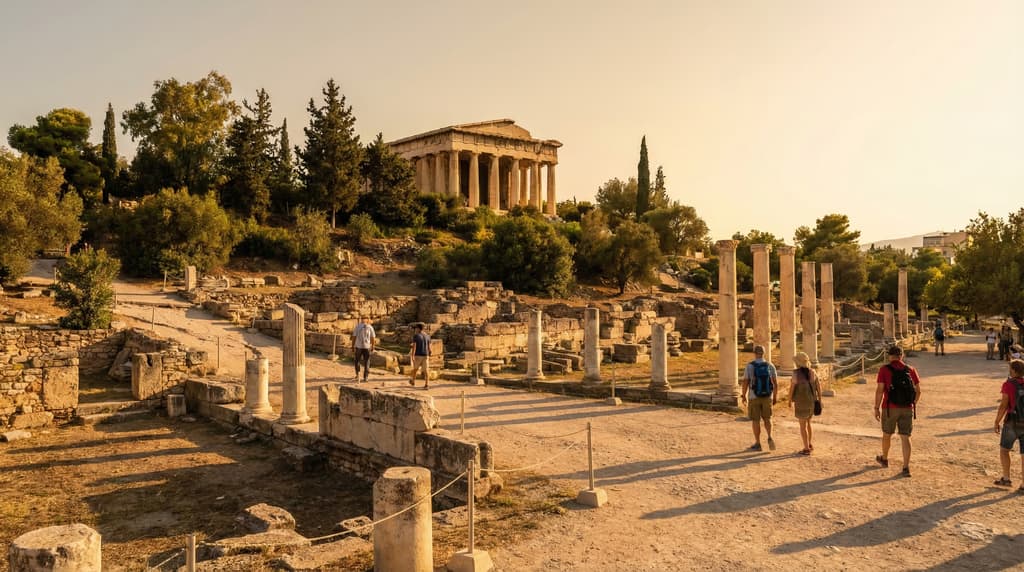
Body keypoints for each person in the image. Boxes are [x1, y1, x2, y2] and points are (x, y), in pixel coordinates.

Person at [874, 345, 922, 477]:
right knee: (906, 437)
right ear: (902, 356)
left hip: (889, 407)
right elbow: (918, 391)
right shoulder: (910, 370)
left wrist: (876, 408)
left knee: (887, 434)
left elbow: (880, 390)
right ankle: (906, 467)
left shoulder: (884, 370)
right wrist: (912, 404)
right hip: (907, 408)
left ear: (890, 356)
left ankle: (884, 458)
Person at [993, 359, 1024, 491]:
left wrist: (997, 421)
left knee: (1005, 450)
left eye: (1010, 368)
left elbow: (1004, 405)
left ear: (1014, 370)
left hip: (1012, 421)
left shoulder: (1008, 384)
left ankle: (1006, 478)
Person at [741, 345, 778, 451]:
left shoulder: (750, 366)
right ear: (764, 353)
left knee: (755, 420)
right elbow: (775, 383)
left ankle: (757, 443)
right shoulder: (770, 365)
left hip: (754, 396)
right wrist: (775, 396)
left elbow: (745, 382)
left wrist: (744, 395)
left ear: (754, 353)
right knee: (768, 418)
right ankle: (770, 437)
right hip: (767, 396)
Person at [788, 351, 821, 455]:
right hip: (811, 401)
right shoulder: (813, 372)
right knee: (808, 423)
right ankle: (809, 443)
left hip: (801, 402)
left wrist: (789, 400)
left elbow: (791, 389)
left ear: (797, 363)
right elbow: (819, 387)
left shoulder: (795, 374)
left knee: (802, 426)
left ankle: (806, 448)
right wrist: (819, 399)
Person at [351, 315, 376, 382]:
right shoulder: (370, 327)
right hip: (367, 346)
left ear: (361, 319)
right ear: (367, 319)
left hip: (359, 346)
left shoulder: (357, 327)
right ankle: (366, 377)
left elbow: (354, 337)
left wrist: (352, 346)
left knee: (357, 361)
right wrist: (373, 345)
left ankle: (358, 374)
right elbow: (373, 338)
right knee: (367, 362)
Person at [408, 323, 431, 389]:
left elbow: (414, 347)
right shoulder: (427, 336)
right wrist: (429, 354)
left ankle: (413, 381)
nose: (415, 329)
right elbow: (429, 348)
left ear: (418, 328)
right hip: (426, 355)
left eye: (416, 328)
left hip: (418, 355)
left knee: (415, 369)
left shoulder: (416, 336)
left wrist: (412, 355)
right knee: (426, 370)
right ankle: (427, 384)